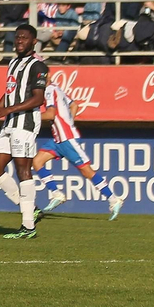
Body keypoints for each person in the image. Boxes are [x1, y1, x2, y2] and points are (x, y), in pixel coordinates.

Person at [0, 24, 47, 239]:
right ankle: (30, 208)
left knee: (23, 170)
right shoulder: (13, 63)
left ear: (34, 41)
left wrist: (9, 110)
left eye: (24, 38)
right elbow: (9, 92)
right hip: (9, 123)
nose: (20, 41)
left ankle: (28, 227)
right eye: (17, 38)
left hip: (25, 125)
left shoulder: (38, 66)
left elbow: (38, 99)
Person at [31, 82, 126, 220]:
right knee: (37, 161)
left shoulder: (49, 90)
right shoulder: (56, 88)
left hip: (67, 140)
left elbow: (50, 114)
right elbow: (74, 105)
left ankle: (113, 199)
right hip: (58, 140)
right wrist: (69, 124)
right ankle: (57, 194)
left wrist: (29, 117)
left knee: (87, 171)